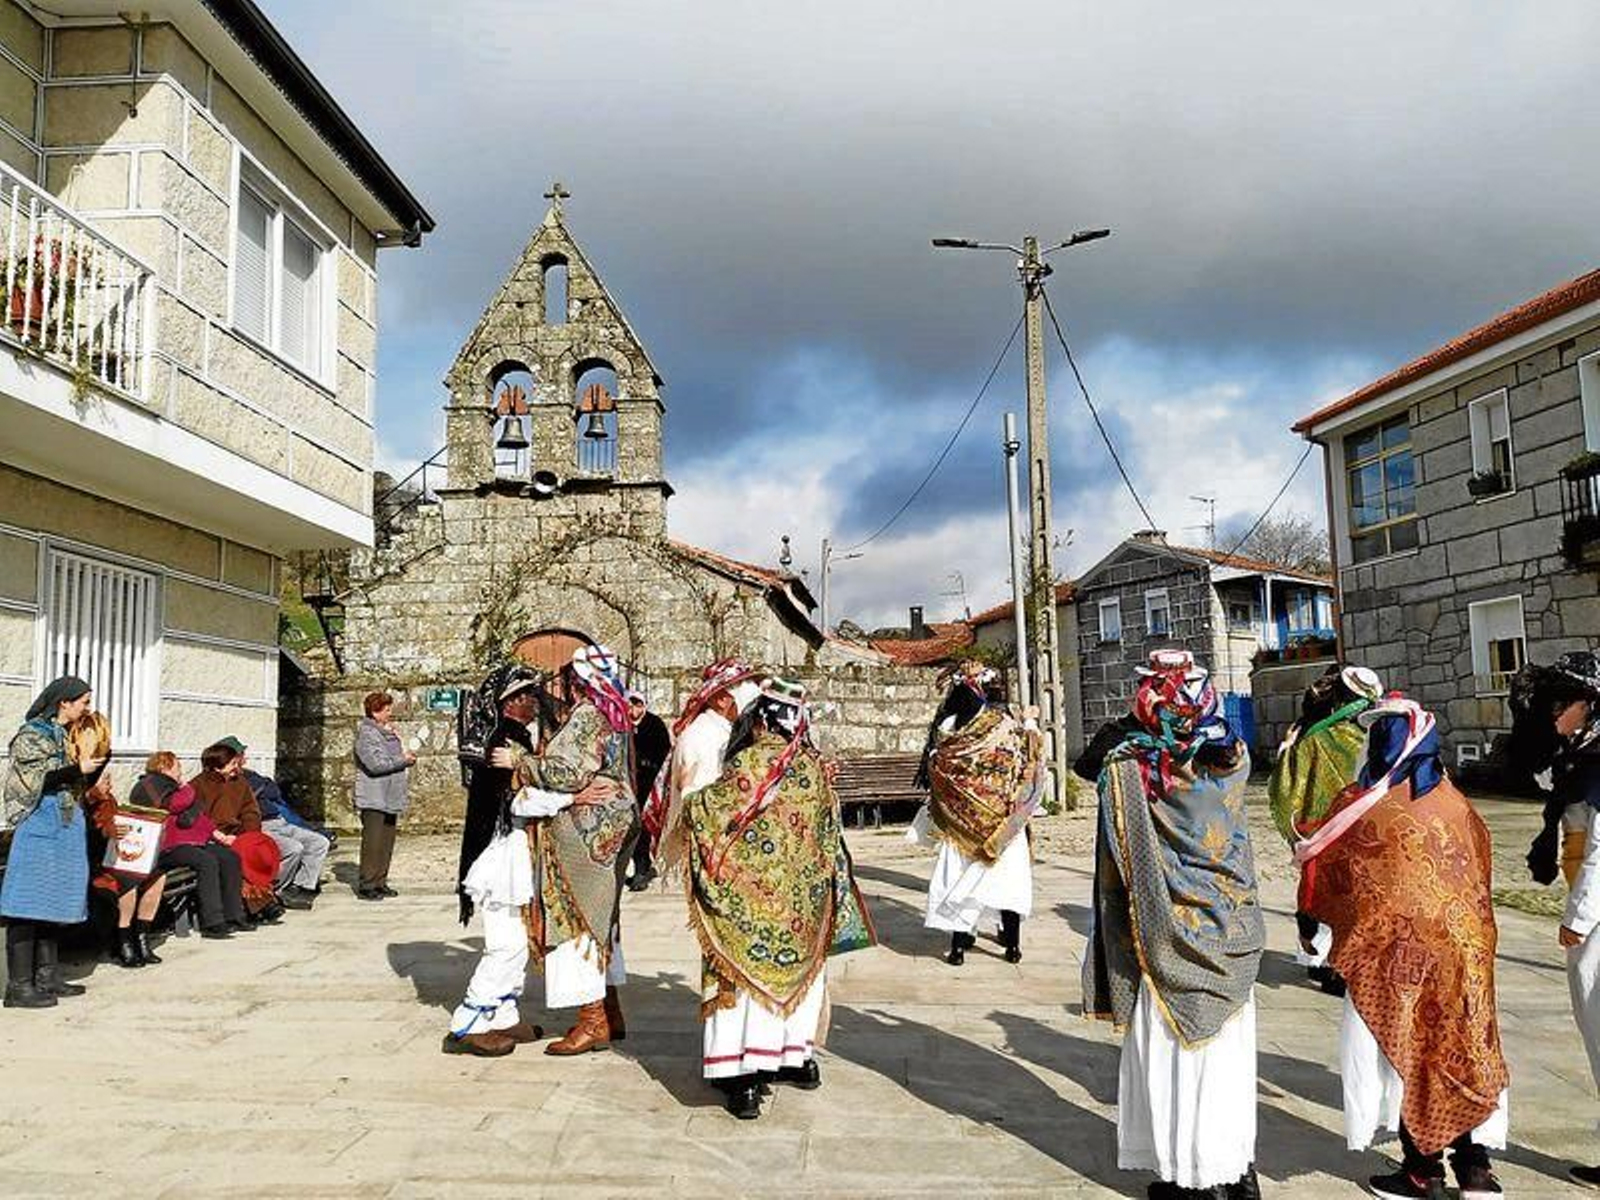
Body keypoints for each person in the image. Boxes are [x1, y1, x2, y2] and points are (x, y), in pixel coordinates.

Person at [1298, 688, 1507, 1200]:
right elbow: (1481, 867)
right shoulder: (1455, 802)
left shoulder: (1364, 807)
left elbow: (1326, 872)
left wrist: (1314, 925)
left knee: (1410, 1050)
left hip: (1396, 957)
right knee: (1458, 1048)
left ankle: (1422, 1170)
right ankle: (1475, 1169)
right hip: (1465, 949)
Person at [1081, 650, 1261, 1200]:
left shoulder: (1128, 768)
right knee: (1225, 1062)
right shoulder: (1236, 757)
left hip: (1167, 940)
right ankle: (1234, 1169)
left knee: (1176, 1055)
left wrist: (1136, 724)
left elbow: (1088, 760)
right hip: (1231, 925)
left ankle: (1191, 1178)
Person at [683, 676, 875, 1120]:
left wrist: (687, 802)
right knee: (797, 989)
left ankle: (743, 1078)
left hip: (750, 909)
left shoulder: (749, 765)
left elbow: (707, 814)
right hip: (799, 911)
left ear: (759, 722)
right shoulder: (810, 768)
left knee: (744, 987)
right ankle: (794, 1059)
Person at [491, 644, 640, 1055]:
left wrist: (521, 761)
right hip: (617, 824)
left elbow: (566, 772)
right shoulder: (619, 713)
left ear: (579, 681)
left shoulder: (589, 715)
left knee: (576, 919)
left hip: (584, 835)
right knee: (603, 917)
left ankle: (593, 1021)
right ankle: (611, 1010)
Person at [1506, 651, 1600, 1190]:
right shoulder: (1578, 756)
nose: (1552, 712)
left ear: (1586, 705)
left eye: (1561, 703)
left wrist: (1580, 917)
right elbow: (1543, 778)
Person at [447, 665, 561, 1056]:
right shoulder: (503, 742)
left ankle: (503, 1014)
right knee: (505, 944)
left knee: (516, 940)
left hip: (513, 850)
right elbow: (516, 800)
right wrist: (572, 799)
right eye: (528, 695)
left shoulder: (516, 740)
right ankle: (469, 1022)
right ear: (510, 702)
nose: (535, 702)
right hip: (499, 855)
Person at [910, 660, 1044, 966]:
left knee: (959, 880)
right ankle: (1012, 945)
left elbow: (936, 772)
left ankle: (958, 948)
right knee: (1009, 882)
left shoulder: (946, 733)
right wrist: (1031, 723)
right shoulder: (1004, 726)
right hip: (1003, 825)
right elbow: (1030, 758)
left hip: (962, 825)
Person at [1266, 664, 1383, 995]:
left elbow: (1289, 787)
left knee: (1326, 894)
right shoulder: (1380, 732)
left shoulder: (1317, 739)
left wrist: (1287, 750)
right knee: (1356, 899)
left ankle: (1327, 962)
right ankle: (1344, 964)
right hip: (1367, 829)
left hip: (1324, 829)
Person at [0, 676, 101, 1008]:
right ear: (64, 702)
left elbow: (74, 780)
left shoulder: (63, 735)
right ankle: (18, 986)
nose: (87, 708)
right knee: (26, 904)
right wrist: (77, 768)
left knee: (51, 901)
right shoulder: (31, 736)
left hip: (63, 826)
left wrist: (97, 761)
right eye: (84, 702)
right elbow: (36, 780)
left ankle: (46, 976)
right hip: (38, 826)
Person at [131, 753, 248, 939]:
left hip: (190, 843)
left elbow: (198, 818)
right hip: (167, 847)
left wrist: (218, 835)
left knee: (229, 857)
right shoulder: (149, 786)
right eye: (177, 767)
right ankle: (212, 922)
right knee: (206, 862)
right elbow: (174, 805)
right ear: (165, 767)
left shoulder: (173, 788)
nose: (180, 771)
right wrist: (187, 790)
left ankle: (234, 915)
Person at [80, 740, 168, 969]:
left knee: (157, 877)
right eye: (104, 782)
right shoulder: (82, 803)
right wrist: (104, 831)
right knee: (127, 883)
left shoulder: (108, 800)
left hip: (118, 858)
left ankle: (141, 935)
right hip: (97, 864)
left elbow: (119, 823)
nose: (109, 786)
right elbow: (84, 834)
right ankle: (124, 940)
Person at [227, 739, 330, 910]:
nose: (244, 757)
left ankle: (301, 886)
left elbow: (273, 789)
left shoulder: (250, 774)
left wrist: (261, 787)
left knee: (319, 842)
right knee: (294, 848)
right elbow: (251, 795)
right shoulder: (231, 779)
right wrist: (260, 788)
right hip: (263, 825)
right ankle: (276, 887)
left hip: (280, 821)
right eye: (240, 754)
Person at [192, 741, 283, 922]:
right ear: (218, 767)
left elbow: (251, 810)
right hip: (214, 837)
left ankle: (260, 901)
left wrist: (247, 834)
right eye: (232, 763)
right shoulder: (198, 786)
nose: (237, 767)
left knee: (258, 852)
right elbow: (199, 819)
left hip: (239, 833)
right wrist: (221, 837)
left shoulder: (239, 782)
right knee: (237, 857)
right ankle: (259, 904)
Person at [353, 692, 415, 901]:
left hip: (390, 795)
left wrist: (397, 741)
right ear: (375, 711)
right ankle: (367, 883)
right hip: (374, 795)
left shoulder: (386, 732)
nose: (390, 713)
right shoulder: (367, 734)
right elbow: (375, 764)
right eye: (386, 709)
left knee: (386, 841)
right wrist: (403, 760)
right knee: (373, 841)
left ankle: (380, 881)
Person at [625, 690, 670, 892]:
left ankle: (642, 869)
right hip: (627, 783)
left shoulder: (654, 724)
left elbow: (663, 750)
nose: (634, 709)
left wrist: (647, 764)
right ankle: (638, 866)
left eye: (638, 705)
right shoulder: (621, 724)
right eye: (631, 704)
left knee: (643, 826)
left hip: (648, 785)